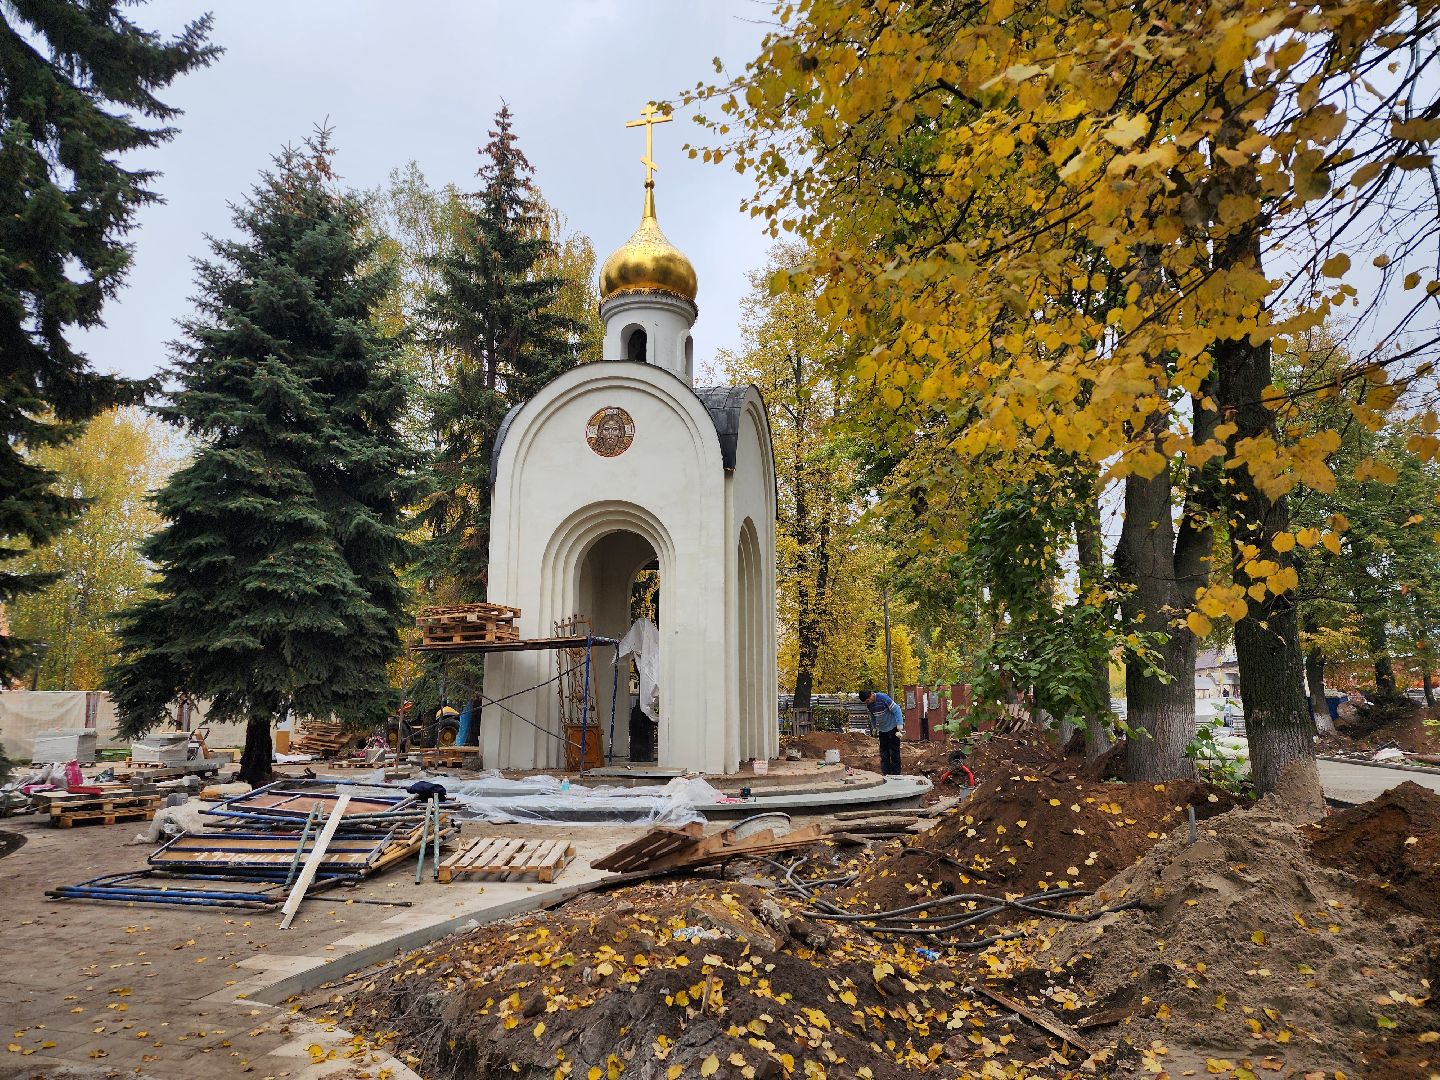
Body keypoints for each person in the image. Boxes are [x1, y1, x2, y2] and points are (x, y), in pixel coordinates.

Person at [859, 690, 903, 775]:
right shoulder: (869, 705)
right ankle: (886, 773)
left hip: (893, 728)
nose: (868, 703)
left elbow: (896, 709)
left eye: (868, 700)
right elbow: (872, 716)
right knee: (884, 752)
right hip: (882, 730)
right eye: (866, 702)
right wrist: (874, 727)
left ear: (871, 694)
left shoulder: (883, 698)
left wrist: (899, 724)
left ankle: (896, 774)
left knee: (894, 752)